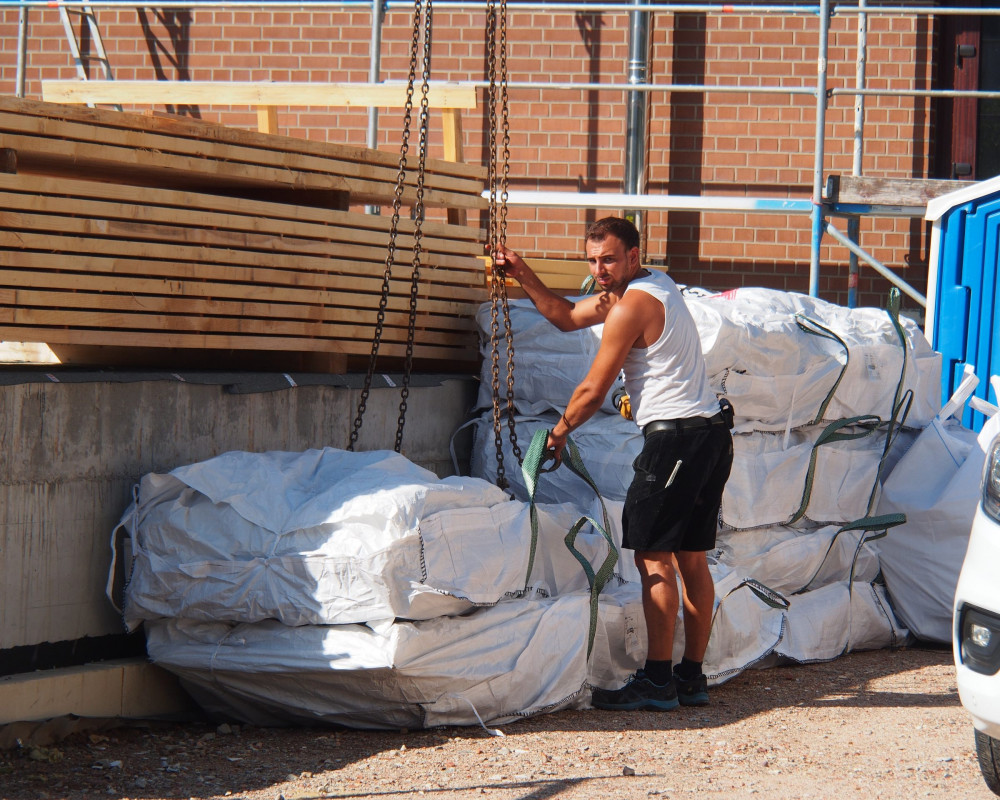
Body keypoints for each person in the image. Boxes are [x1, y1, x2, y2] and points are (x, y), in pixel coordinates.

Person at [495, 217, 733, 711]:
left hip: (675, 443)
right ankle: (692, 678)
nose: (599, 270)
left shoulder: (631, 306)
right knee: (691, 558)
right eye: (592, 260)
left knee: (653, 558)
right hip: (710, 435)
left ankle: (658, 680)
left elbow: (592, 390)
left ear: (632, 254)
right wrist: (524, 274)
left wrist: (558, 433)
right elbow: (564, 316)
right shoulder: (653, 286)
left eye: (608, 259)